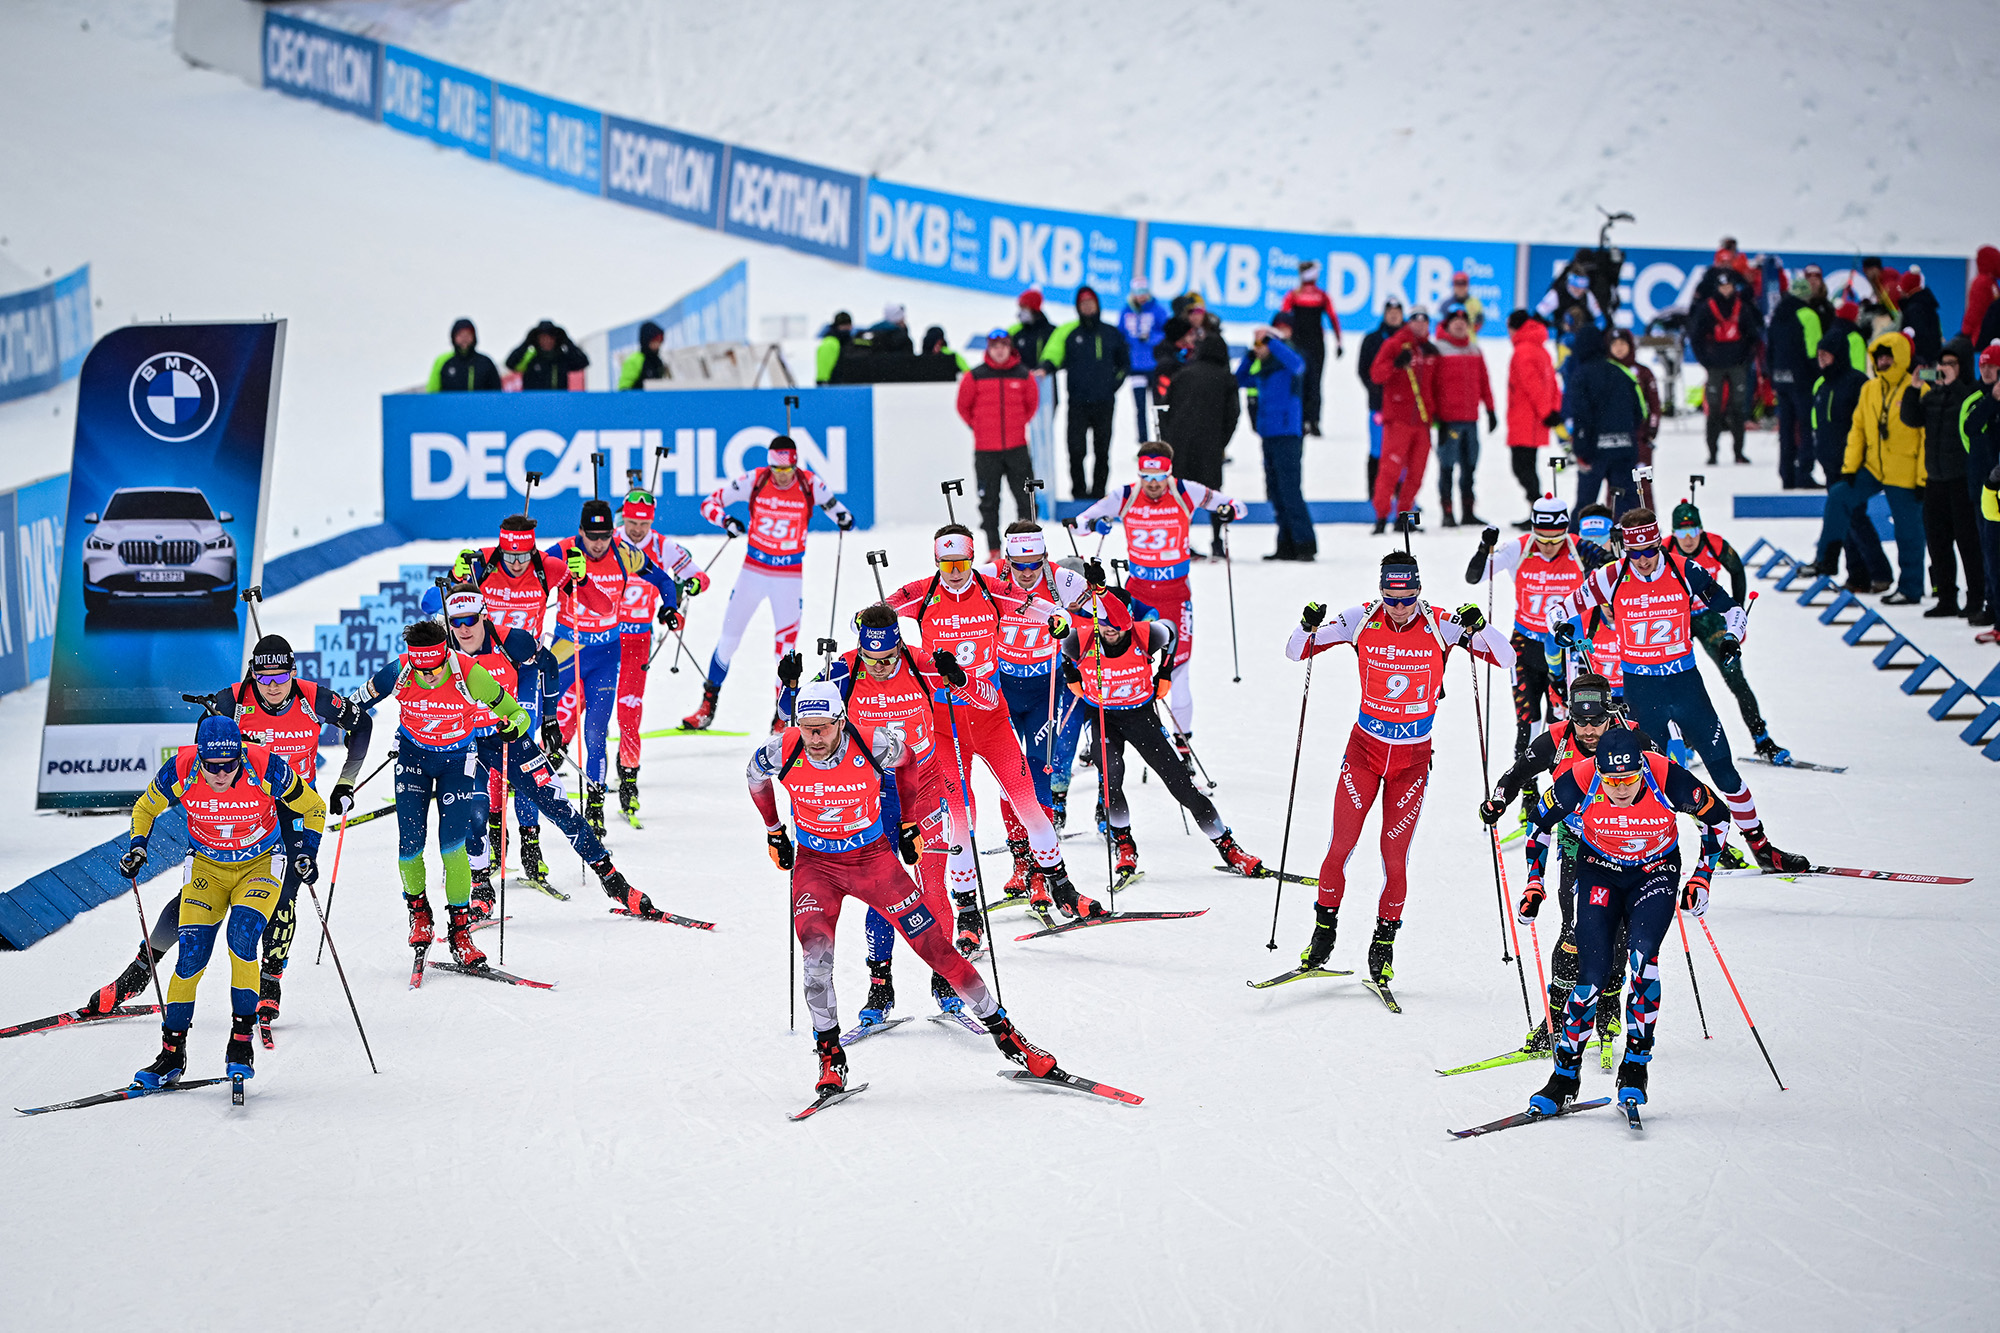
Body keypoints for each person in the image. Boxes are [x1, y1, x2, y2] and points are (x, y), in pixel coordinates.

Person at [747, 682, 1063, 1100]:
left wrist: (910, 820)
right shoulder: (781, 750)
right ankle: (830, 1057)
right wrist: (774, 831)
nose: (815, 738)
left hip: (873, 861)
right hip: (816, 867)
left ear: (840, 722)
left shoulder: (873, 742)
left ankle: (1008, 1037)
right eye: (807, 728)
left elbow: (910, 759)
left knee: (936, 948)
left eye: (823, 728)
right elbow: (754, 778)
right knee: (816, 965)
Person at [84, 640, 368, 1032]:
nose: (273, 686)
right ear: (253, 673)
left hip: (292, 805)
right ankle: (140, 969)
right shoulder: (230, 700)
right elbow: (203, 755)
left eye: (281, 676)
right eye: (263, 677)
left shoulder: (314, 698)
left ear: (293, 672)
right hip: (235, 805)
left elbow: (362, 724)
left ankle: (269, 978)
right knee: (197, 898)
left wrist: (345, 781)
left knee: (285, 894)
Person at [1285, 552, 1514, 986]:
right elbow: (1296, 652)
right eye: (1392, 599)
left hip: (1411, 762)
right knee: (1340, 846)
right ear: (1381, 593)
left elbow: (1504, 659)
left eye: (1408, 598)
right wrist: (1307, 624)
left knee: (1394, 857)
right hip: (1364, 753)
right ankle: (1323, 934)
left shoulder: (1441, 623)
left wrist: (1480, 628)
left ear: (1419, 591)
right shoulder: (1360, 619)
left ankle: (1383, 945)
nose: (1400, 608)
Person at [1548, 509, 1809, 872]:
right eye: (1634, 553)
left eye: (1648, 551)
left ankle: (1762, 848)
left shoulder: (1685, 570)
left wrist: (1733, 638)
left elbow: (1732, 609)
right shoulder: (1611, 576)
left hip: (1686, 685)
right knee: (1642, 778)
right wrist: (1560, 625)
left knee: (1724, 771)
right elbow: (1558, 607)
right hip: (1642, 691)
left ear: (1658, 543)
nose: (1641, 561)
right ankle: (1636, 851)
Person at [884, 526, 1104, 936]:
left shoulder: (992, 589)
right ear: (937, 563)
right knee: (960, 819)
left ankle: (1062, 886)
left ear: (971, 560)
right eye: (946, 564)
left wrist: (1057, 623)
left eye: (961, 563)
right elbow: (879, 614)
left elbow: (1041, 608)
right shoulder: (922, 592)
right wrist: (869, 618)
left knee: (1029, 806)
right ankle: (968, 913)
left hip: (990, 716)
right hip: (944, 726)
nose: (954, 572)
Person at [776, 609, 982, 1022]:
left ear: (899, 645)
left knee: (933, 884)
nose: (882, 666)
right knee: (883, 890)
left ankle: (943, 978)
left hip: (924, 786)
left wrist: (956, 676)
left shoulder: (922, 663)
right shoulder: (844, 670)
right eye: (874, 660)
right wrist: (791, 684)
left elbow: (976, 695)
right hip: (873, 793)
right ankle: (880, 984)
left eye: (889, 657)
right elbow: (794, 716)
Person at [1518, 724, 1730, 1118]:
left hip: (1655, 873)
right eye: (1611, 780)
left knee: (1642, 962)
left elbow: (1717, 818)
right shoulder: (1580, 779)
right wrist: (1534, 883)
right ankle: (1564, 1078)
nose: (1620, 789)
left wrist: (1703, 874)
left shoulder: (1665, 775)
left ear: (1641, 769)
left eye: (1629, 779)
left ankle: (1635, 1068)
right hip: (1600, 872)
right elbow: (1538, 823)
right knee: (1590, 980)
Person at [122, 715, 326, 1090]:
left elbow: (314, 807)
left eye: (229, 765)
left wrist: (308, 852)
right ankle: (171, 1054)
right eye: (212, 766)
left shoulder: (264, 765)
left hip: (260, 865)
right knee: (191, 957)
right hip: (207, 868)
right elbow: (144, 808)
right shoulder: (181, 768)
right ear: (199, 756)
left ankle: (241, 1042)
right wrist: (138, 846)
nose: (220, 774)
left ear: (240, 756)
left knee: (242, 939)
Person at [436, 583, 664, 917]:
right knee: (474, 812)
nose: (464, 629)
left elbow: (548, 663)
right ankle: (482, 888)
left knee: (559, 808)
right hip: (466, 743)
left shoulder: (510, 639)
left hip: (509, 738)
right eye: (455, 622)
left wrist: (550, 719)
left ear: (484, 615)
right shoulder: (441, 653)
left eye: (470, 619)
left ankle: (613, 880)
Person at [349, 621, 534, 971]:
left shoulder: (468, 672)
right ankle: (419, 914)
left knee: (452, 847)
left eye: (435, 669)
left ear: (445, 657)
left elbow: (515, 713)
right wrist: (345, 720)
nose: (429, 676)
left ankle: (461, 933)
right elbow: (353, 703)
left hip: (457, 762)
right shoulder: (400, 671)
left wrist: (513, 725)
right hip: (413, 760)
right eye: (423, 669)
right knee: (410, 845)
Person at [1479, 673, 1644, 1055]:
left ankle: (1608, 1002)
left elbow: (1666, 779)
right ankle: (1555, 1019)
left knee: (1620, 928)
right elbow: (1516, 775)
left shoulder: (1632, 736)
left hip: (1624, 841)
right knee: (1575, 930)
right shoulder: (1556, 738)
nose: (1587, 731)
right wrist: (1498, 802)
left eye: (1596, 722)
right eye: (1580, 721)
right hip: (1576, 842)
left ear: (1611, 714)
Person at [1058, 591, 1262, 882]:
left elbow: (1173, 631)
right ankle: (1125, 845)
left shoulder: (1146, 634)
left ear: (1129, 618)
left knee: (1181, 785)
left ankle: (1228, 847)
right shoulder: (1081, 638)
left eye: (1118, 622)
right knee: (1111, 776)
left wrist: (1164, 672)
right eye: (1103, 622)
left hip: (1141, 717)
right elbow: (1059, 642)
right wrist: (1071, 674)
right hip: (1103, 718)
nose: (1110, 629)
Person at [1069, 442, 1247, 740]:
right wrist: (1095, 524)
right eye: (1146, 477)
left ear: (1169, 472)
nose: (1152, 484)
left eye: (1159, 476)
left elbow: (1236, 506)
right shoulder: (1125, 495)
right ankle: (1107, 732)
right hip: (1137, 594)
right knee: (1118, 662)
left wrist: (1228, 510)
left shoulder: (1184, 490)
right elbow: (1079, 524)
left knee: (1178, 669)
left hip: (1175, 594)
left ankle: (1182, 743)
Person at [682, 436, 854, 731]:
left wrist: (844, 518)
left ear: (796, 465)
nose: (783, 477)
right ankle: (708, 704)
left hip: (788, 576)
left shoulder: (810, 483)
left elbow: (836, 509)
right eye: (778, 471)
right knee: (729, 638)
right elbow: (708, 503)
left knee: (785, 649)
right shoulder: (756, 479)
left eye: (788, 471)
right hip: (754, 571)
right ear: (770, 465)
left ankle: (783, 714)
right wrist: (725, 521)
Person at [966, 528, 1094, 889]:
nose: (1025, 573)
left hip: (1044, 691)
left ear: (1044, 557)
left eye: (1033, 565)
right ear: (1007, 558)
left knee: (1038, 778)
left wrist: (1099, 592)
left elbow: (1108, 616)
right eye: (1018, 565)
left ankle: (1041, 870)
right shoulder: (988, 575)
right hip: (1001, 690)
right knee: (1010, 781)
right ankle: (1021, 864)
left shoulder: (1062, 581)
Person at [547, 500, 683, 831]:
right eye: (591, 535)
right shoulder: (564, 551)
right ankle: (521, 781)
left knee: (595, 732)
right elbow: (527, 573)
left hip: (606, 653)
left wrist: (669, 607)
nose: (598, 543)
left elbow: (665, 582)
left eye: (604, 535)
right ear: (580, 531)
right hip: (568, 647)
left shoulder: (625, 553)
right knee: (537, 714)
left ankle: (595, 805)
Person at [1465, 495, 1613, 759]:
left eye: (1555, 540)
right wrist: (1483, 547)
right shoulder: (1519, 548)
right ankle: (1528, 792)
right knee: (1528, 724)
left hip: (1568, 651)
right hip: (1525, 646)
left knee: (1566, 725)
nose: (1547, 547)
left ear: (1566, 532)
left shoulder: (1579, 548)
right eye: (1542, 539)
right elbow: (1474, 576)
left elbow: (1614, 567)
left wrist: (1612, 548)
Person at [611, 487, 704, 821]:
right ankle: (553, 760)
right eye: (633, 522)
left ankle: (629, 782)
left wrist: (691, 585)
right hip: (601, 637)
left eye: (644, 523)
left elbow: (700, 577)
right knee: (575, 701)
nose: (637, 529)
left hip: (638, 637)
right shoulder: (607, 541)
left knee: (630, 711)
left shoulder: (663, 546)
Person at [1669, 501, 1788, 759]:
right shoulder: (1664, 549)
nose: (1687, 540)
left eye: (1692, 532)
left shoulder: (1715, 544)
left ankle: (1762, 738)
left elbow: (1737, 570)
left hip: (1710, 618)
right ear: (1673, 533)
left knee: (1734, 675)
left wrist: (1737, 610)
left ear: (1701, 530)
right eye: (1681, 533)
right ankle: (1684, 741)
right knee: (1677, 679)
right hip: (1678, 619)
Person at [1840, 333, 1929, 606]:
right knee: (1841, 501)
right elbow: (1858, 430)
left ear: (1901, 356)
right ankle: (1876, 575)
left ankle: (1911, 588)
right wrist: (1850, 467)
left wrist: (1922, 477)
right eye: (1879, 357)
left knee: (1909, 533)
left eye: (1889, 356)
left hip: (1906, 472)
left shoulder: (1919, 388)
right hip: (1875, 468)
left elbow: (1926, 437)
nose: (1883, 361)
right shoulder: (1870, 388)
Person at [1902, 338, 1986, 619]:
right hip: (1935, 479)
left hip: (1961, 479)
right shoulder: (1933, 394)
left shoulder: (1972, 392)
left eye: (1951, 364)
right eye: (1942, 363)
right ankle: (1946, 597)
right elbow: (1911, 419)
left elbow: (1972, 415)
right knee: (1937, 543)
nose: (1945, 369)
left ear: (1962, 366)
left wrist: (1955, 384)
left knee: (1968, 543)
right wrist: (1914, 390)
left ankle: (1976, 598)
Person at [1805, 341, 1892, 591]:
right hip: (1831, 463)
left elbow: (1865, 426)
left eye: (1826, 354)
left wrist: (1857, 462)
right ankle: (1858, 576)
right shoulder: (1821, 384)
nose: (1821, 359)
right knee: (1848, 521)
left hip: (1853, 465)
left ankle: (1878, 573)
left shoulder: (1856, 382)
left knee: (1856, 519)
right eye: (1819, 354)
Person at [957, 327, 1040, 560]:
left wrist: (1016, 426)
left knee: (1026, 499)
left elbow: (1031, 406)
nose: (999, 351)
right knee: (989, 502)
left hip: (1017, 449)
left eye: (1003, 346)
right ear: (989, 349)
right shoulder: (974, 376)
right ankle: (994, 550)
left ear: (1009, 348)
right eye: (995, 346)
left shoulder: (1024, 375)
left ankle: (1029, 547)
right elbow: (963, 407)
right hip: (986, 452)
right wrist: (980, 427)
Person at [1041, 285, 1130, 501]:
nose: (1087, 307)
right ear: (1077, 307)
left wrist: (1111, 386)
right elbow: (1054, 356)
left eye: (1091, 303)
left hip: (1104, 402)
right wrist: (1045, 367)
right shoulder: (1070, 333)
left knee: (1102, 451)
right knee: (1076, 450)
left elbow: (1124, 364)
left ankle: (1098, 493)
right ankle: (1079, 493)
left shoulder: (1111, 333)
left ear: (1097, 305)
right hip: (1078, 403)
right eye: (1083, 304)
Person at [1237, 313, 1314, 559]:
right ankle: (1286, 543)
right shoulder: (1264, 370)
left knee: (1290, 490)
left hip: (1288, 434)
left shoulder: (1288, 365)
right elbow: (1238, 379)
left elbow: (1298, 364)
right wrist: (1250, 356)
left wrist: (1271, 342)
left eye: (1263, 344)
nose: (1260, 349)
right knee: (1276, 492)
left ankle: (1304, 543)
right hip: (1269, 435)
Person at [1161, 323, 1240, 558]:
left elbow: (1167, 410)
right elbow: (1233, 415)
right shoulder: (1226, 378)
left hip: (1179, 445)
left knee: (1183, 496)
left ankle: (1181, 543)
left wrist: (1171, 442)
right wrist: (1221, 442)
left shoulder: (1182, 375)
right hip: (1210, 445)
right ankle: (1217, 541)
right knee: (1213, 494)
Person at [1368, 306, 1438, 535]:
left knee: (1417, 473)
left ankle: (1405, 518)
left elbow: (1437, 387)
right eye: (1415, 321)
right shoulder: (1395, 344)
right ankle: (1380, 517)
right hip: (1398, 420)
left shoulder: (1429, 350)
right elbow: (1376, 374)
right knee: (1390, 470)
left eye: (1424, 321)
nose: (1419, 325)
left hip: (1423, 422)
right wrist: (1395, 364)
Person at [1562, 324, 1641, 522]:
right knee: (1626, 505)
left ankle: (1575, 546)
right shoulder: (1622, 372)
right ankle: (1629, 546)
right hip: (1624, 448)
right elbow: (1639, 412)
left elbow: (1581, 415)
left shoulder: (1581, 376)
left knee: (1585, 506)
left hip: (1594, 451)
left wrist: (1580, 448)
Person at [1430, 305, 1497, 527]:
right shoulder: (1438, 349)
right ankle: (1447, 512)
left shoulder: (1474, 350)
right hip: (1448, 420)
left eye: (1463, 321)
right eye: (1455, 321)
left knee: (1470, 467)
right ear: (1447, 325)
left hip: (1471, 420)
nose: (1459, 325)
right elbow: (1431, 385)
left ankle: (1468, 511)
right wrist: (1435, 418)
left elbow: (1484, 382)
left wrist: (1490, 409)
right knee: (1447, 467)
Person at [1688, 268, 1763, 465]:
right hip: (1715, 366)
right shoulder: (1707, 308)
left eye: (1729, 286)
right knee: (1713, 410)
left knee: (1738, 409)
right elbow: (1695, 337)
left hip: (1737, 365)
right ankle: (1712, 453)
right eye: (1723, 286)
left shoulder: (1742, 308)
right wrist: (1705, 360)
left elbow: (1752, 336)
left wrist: (1745, 360)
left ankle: (1739, 452)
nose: (1726, 290)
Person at [1505, 311, 1562, 525]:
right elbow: (1552, 383)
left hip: (1525, 419)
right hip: (1535, 420)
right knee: (1528, 466)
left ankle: (1537, 510)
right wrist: (1554, 409)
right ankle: (1535, 509)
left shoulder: (1522, 350)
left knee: (1521, 467)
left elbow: (1532, 386)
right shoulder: (1541, 349)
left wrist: (1546, 411)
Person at [1769, 276, 1825, 488]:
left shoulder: (1778, 313)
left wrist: (1773, 373)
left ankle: (1786, 473)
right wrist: (1817, 376)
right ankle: (1804, 472)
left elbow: (1770, 346)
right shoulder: (1808, 315)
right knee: (1805, 426)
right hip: (1802, 380)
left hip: (1780, 378)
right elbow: (1814, 352)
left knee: (1785, 428)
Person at [1280, 259, 1345, 436]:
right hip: (1316, 345)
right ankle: (1314, 421)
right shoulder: (1321, 296)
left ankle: (1300, 421)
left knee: (1299, 382)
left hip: (1297, 344)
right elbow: (1333, 319)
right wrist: (1339, 342)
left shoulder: (1293, 295)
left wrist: (1281, 342)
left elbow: (1282, 319)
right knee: (1315, 383)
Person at [1010, 290, 1060, 503]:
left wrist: (1043, 368)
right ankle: (1024, 487)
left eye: (1024, 307)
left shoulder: (1051, 331)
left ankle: (1042, 489)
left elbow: (1055, 355)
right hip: (1018, 392)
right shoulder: (1015, 332)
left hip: (1045, 393)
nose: (1021, 312)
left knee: (1042, 440)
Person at [1357, 298, 1405, 494]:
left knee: (1403, 453)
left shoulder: (1409, 341)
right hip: (1379, 406)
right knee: (1378, 450)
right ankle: (1374, 495)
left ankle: (1403, 503)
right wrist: (1375, 390)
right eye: (1390, 312)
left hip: (1404, 408)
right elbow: (1363, 369)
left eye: (1397, 312)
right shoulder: (1372, 339)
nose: (1393, 315)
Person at [1968, 343, 2000, 632]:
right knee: (1990, 551)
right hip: (1987, 488)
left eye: (1992, 366)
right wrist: (1992, 399)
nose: (1987, 370)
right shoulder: (1980, 398)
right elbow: (1969, 427)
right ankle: (1993, 607)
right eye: (1983, 366)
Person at [1120, 276, 1170, 440]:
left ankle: (1161, 439)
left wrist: (1151, 337)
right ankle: (1143, 441)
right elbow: (1120, 334)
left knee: (1159, 405)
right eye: (1137, 292)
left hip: (1155, 366)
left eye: (1143, 292)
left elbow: (1167, 333)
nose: (1141, 296)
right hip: (1135, 366)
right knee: (1140, 406)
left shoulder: (1158, 310)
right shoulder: (1126, 311)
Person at [1607, 327, 1663, 466]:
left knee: (1642, 481)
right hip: (1612, 437)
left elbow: (1654, 404)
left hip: (1639, 435)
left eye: (1622, 344)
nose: (1618, 348)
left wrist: (1652, 429)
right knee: (1617, 484)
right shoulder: (1604, 372)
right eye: (1614, 344)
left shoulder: (1643, 372)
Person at [505, 319, 589, 391]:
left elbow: (583, 362)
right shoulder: (531, 358)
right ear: (537, 340)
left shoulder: (561, 358)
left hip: (558, 402)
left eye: (550, 338)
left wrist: (567, 342)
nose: (546, 341)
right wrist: (526, 343)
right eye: (543, 338)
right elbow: (510, 363)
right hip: (534, 403)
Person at [428, 318, 501, 392]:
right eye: (460, 335)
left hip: (478, 403)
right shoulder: (443, 361)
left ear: (474, 337)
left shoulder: (485, 362)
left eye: (468, 335)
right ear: (453, 337)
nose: (464, 339)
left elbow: (497, 393)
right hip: (450, 403)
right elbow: (432, 392)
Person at [1898, 271, 1943, 367]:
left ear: (1907, 289)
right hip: (1930, 362)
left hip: (1920, 364)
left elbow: (1919, 338)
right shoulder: (1927, 306)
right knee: (1930, 379)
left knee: (1922, 380)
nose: (1900, 291)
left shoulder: (1915, 310)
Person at [1963, 248, 2000, 342]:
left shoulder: (1990, 281)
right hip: (1982, 332)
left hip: (1986, 330)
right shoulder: (1983, 282)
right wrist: (1968, 329)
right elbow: (1976, 308)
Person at [617, 321, 665, 390]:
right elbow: (623, 388)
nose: (658, 344)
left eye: (660, 340)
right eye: (655, 340)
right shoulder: (635, 360)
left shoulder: (658, 362)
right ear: (646, 340)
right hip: (637, 399)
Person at [815, 311, 852, 385]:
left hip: (841, 385)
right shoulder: (831, 342)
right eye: (843, 325)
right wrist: (822, 381)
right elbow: (824, 364)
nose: (846, 328)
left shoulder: (847, 340)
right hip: (833, 386)